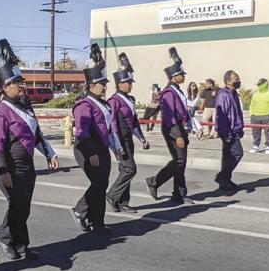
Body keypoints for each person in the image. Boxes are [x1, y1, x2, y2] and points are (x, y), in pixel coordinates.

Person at [0, 40, 58, 261]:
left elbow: (35, 135)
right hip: (8, 166)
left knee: (24, 206)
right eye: (17, 83)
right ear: (6, 87)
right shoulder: (0, 112)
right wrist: (3, 170)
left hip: (27, 165)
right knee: (17, 205)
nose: (22, 86)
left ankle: (19, 244)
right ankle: (11, 240)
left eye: (21, 82)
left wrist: (50, 153)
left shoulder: (26, 107)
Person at [70, 44, 119, 234]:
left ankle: (97, 222)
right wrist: (91, 153)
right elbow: (82, 132)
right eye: (102, 83)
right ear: (91, 85)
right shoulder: (84, 104)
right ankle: (80, 210)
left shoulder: (103, 103)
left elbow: (108, 129)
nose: (106, 86)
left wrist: (116, 148)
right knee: (98, 183)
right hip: (87, 147)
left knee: (103, 183)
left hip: (101, 147)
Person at [145, 48, 195, 205]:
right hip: (173, 128)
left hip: (180, 127)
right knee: (179, 161)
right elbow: (169, 116)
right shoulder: (168, 93)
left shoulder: (176, 90)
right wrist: (177, 135)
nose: (184, 76)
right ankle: (155, 182)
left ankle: (178, 193)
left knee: (181, 161)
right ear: (174, 77)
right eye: (181, 74)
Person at [106, 53, 149, 214]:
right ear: (120, 83)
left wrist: (142, 138)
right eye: (128, 82)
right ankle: (112, 195)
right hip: (119, 139)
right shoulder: (114, 101)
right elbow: (113, 124)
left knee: (125, 170)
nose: (131, 85)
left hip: (128, 138)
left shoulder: (130, 99)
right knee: (130, 169)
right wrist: (117, 146)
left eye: (131, 82)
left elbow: (135, 121)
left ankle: (123, 202)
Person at [214, 70, 245, 191]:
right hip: (228, 131)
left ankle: (225, 180)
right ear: (228, 81)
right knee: (237, 153)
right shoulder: (223, 95)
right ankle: (222, 177)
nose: (238, 81)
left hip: (235, 129)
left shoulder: (233, 94)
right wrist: (225, 132)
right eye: (236, 79)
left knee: (228, 156)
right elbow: (221, 115)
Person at [248, 78, 269, 154]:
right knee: (255, 132)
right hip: (255, 116)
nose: (259, 86)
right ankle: (256, 146)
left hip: (267, 116)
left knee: (268, 132)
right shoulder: (256, 94)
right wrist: (251, 114)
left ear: (265, 84)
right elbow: (252, 105)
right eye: (258, 85)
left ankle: (268, 147)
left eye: (260, 84)